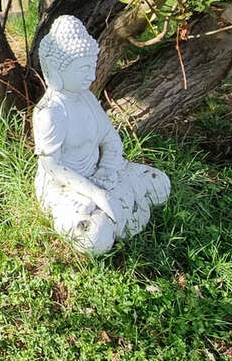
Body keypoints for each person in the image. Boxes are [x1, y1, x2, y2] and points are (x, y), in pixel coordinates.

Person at [33, 15, 170, 254]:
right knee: (93, 237)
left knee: (160, 184)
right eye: (84, 69)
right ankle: (103, 217)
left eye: (92, 67)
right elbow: (51, 166)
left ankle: (116, 206)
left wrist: (107, 168)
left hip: (101, 171)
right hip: (67, 185)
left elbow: (110, 138)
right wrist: (95, 192)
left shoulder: (86, 98)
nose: (92, 76)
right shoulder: (50, 112)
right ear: (56, 70)